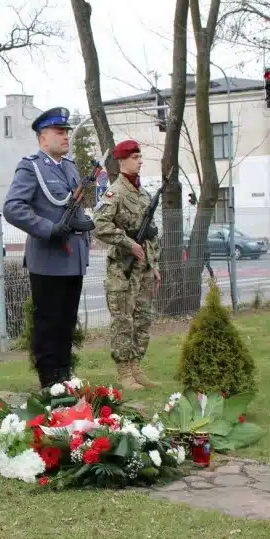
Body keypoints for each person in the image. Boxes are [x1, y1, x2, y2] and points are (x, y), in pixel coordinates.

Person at [4, 107, 96, 389]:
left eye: (66, 131)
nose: (66, 136)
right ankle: (49, 384)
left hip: (73, 259)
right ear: (43, 138)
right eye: (59, 132)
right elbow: (12, 208)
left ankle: (64, 380)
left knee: (67, 323)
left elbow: (73, 208)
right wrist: (48, 228)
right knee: (48, 324)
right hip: (48, 259)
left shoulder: (69, 167)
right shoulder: (31, 167)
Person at [92, 139, 161, 391]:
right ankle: (124, 372)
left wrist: (154, 265)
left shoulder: (143, 194)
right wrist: (127, 243)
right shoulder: (115, 192)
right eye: (135, 157)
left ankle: (136, 367)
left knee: (142, 319)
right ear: (121, 161)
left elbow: (151, 233)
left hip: (143, 268)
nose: (140, 161)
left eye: (140, 157)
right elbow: (99, 224)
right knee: (123, 321)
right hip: (123, 270)